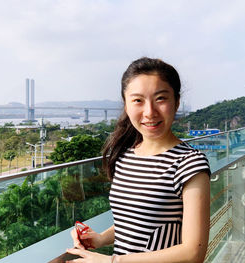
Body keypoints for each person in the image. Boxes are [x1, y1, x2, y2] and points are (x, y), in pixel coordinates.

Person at [67, 57, 211, 263]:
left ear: (177, 102)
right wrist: (99, 239)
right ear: (126, 105)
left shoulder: (189, 164)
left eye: (160, 98)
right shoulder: (126, 157)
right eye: (138, 100)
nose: (150, 112)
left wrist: (111, 261)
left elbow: (193, 253)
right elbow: (136, 222)